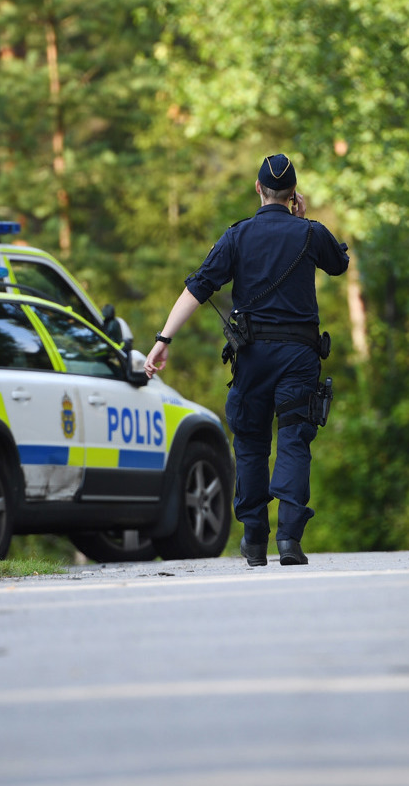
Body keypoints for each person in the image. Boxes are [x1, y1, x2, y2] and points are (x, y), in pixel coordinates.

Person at [144, 153, 349, 566]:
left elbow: (198, 288)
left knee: (252, 444)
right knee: (293, 441)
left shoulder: (236, 236)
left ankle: (255, 540)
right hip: (299, 357)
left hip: (252, 358)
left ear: (258, 189)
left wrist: (163, 339)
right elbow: (339, 264)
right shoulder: (310, 233)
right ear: (293, 194)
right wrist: (305, 221)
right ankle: (289, 540)